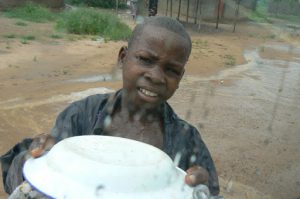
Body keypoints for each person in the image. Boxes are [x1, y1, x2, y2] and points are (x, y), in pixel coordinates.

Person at [1, 16, 220, 197]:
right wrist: (33, 161)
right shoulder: (82, 116)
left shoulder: (188, 141)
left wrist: (201, 191)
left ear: (180, 77)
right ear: (123, 58)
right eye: (145, 59)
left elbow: (211, 192)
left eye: (171, 70)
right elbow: (30, 183)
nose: (155, 76)